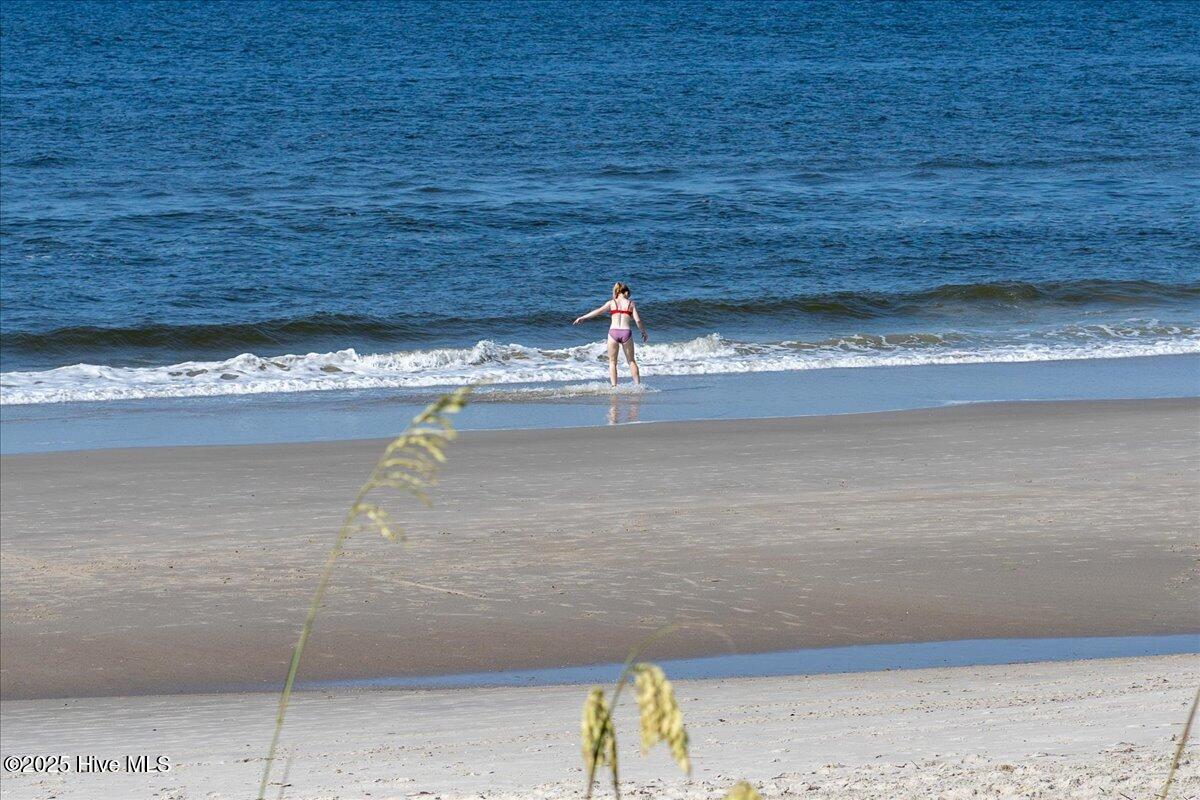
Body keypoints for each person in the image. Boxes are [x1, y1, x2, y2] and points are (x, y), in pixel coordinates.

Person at [573, 282, 648, 386]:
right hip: (626, 332)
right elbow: (638, 320)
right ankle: (638, 385)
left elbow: (598, 311)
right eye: (628, 294)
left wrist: (583, 317)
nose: (628, 296)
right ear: (625, 292)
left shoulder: (611, 303)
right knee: (631, 361)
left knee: (612, 362)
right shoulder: (631, 303)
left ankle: (614, 386)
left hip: (613, 332)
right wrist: (643, 332)